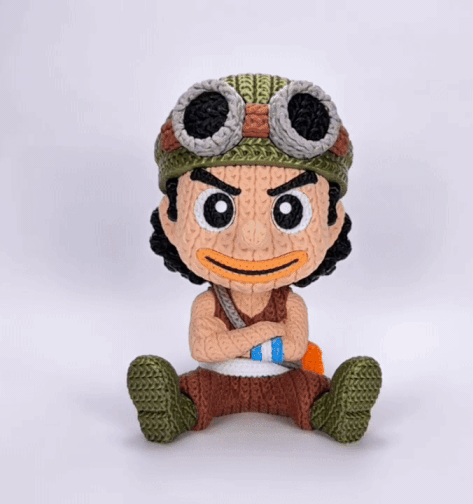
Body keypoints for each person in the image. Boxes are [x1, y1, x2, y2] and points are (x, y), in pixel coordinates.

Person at [127, 74, 382, 444]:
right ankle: (173, 409)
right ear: (171, 218)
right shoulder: (210, 303)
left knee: (307, 391)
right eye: (216, 209)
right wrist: (266, 333)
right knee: (196, 392)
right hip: (218, 380)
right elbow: (203, 349)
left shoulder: (290, 304)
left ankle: (333, 410)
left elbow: (294, 348)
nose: (253, 238)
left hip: (282, 381)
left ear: (332, 225)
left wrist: (234, 341)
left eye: (290, 211)